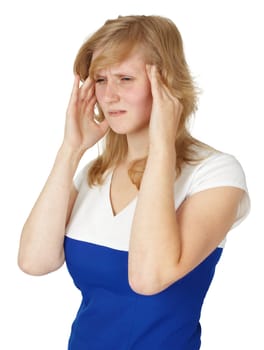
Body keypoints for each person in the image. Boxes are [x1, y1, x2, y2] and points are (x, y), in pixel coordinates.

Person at [18, 15, 250, 350]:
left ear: (167, 84)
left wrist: (161, 145)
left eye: (125, 78)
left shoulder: (215, 174)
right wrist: (71, 149)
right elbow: (34, 262)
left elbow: (148, 278)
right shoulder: (93, 174)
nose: (108, 96)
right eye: (100, 80)